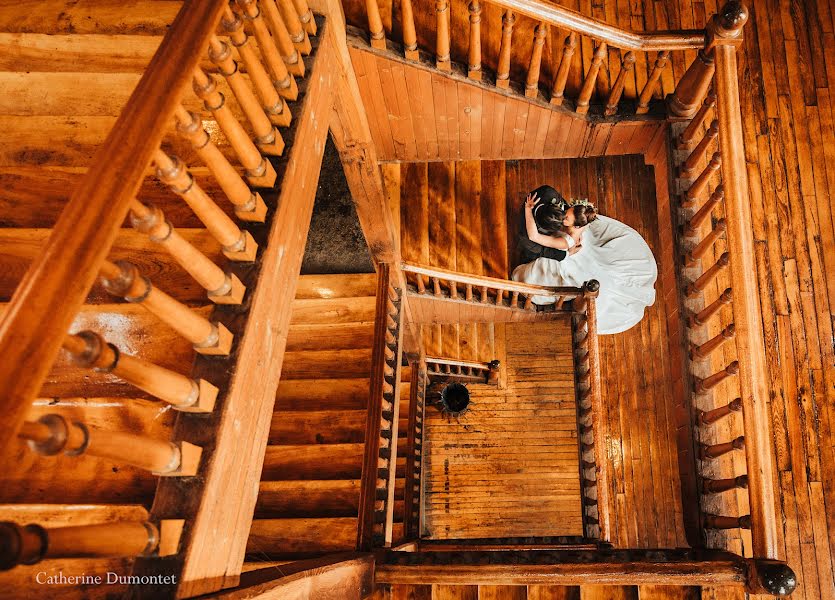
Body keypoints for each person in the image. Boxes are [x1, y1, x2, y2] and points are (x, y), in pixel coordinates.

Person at [512, 194, 657, 335]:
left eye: (566, 217)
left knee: (538, 273)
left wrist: (528, 209)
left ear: (575, 225)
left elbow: (534, 237)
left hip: (569, 259)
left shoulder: (565, 242)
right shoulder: (582, 228)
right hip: (580, 252)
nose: (563, 217)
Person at [517, 185, 583, 263]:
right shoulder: (527, 236)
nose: (565, 223)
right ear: (549, 230)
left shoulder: (548, 193)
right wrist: (567, 254)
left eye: (565, 215)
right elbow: (544, 251)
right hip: (533, 247)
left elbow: (564, 204)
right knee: (531, 254)